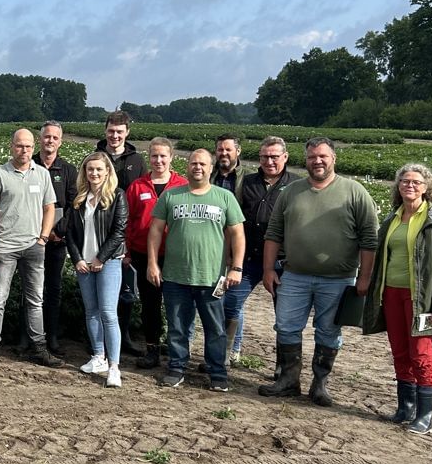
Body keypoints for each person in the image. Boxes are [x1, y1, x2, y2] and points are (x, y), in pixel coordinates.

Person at [259, 137, 379, 406]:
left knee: (328, 331)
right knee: (287, 327)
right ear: (305, 159)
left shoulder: (354, 192)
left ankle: (320, 383)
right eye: (312, 157)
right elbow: (274, 233)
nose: (318, 161)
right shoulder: (291, 191)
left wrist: (365, 276)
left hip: (338, 279)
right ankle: (289, 380)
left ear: (334, 158)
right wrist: (268, 268)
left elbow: (369, 239)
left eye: (323, 156)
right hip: (294, 276)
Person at [362, 164, 432, 435]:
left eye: (416, 182)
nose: (410, 186)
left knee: (421, 352)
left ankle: (425, 415)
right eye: (405, 181)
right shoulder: (392, 219)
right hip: (391, 293)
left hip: (422, 298)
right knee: (400, 350)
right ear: (398, 186)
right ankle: (405, 407)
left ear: (427, 187)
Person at [146, 149, 245, 392]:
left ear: (211, 168)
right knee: (177, 326)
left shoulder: (225, 197)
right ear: (187, 166)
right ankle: (177, 368)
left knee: (216, 328)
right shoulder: (171, 196)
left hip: (213, 278)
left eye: (202, 164)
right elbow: (155, 231)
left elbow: (237, 234)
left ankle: (217, 372)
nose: (197, 167)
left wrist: (236, 267)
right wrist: (152, 263)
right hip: (175, 276)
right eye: (193, 163)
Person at [0, 129, 61, 370]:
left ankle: (39, 347)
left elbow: (50, 208)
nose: (23, 151)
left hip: (34, 247)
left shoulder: (42, 174)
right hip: (4, 247)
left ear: (32, 147)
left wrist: (43, 238)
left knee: (35, 299)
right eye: (19, 146)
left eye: (27, 146)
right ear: (11, 146)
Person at [222, 136, 297, 366]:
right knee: (230, 304)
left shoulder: (296, 185)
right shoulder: (248, 182)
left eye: (274, 156)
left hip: (282, 262)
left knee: (284, 317)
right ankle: (225, 355)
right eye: (264, 156)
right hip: (249, 258)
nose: (269, 161)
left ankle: (283, 368)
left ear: (285, 157)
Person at [65, 152, 128, 388]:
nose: (94, 173)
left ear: (107, 172)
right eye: (90, 169)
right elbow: (70, 233)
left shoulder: (117, 197)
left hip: (109, 262)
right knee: (91, 310)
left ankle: (114, 367)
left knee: (108, 312)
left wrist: (101, 258)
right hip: (84, 264)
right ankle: (97, 356)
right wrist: (78, 259)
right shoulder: (79, 200)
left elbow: (118, 232)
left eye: (99, 169)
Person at [125, 137, 187, 370]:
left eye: (163, 156)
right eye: (154, 156)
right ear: (148, 158)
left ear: (171, 157)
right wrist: (128, 250)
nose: (158, 160)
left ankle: (175, 348)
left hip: (175, 256)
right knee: (150, 304)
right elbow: (128, 221)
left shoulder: (182, 185)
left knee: (176, 304)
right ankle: (151, 349)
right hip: (143, 254)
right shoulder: (138, 186)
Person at [31, 121, 78, 357]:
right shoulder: (30, 164)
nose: (50, 141)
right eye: (47, 137)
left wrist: (58, 231)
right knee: (30, 289)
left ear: (61, 141)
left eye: (55, 138)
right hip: (30, 239)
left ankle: (52, 336)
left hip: (57, 240)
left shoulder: (68, 170)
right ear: (40, 139)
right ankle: (27, 337)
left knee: (53, 288)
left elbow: (74, 205)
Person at [96, 110, 146, 190]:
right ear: (105, 130)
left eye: (119, 132)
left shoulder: (137, 161)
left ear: (127, 132)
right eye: (111, 131)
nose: (115, 136)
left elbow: (142, 190)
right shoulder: (93, 158)